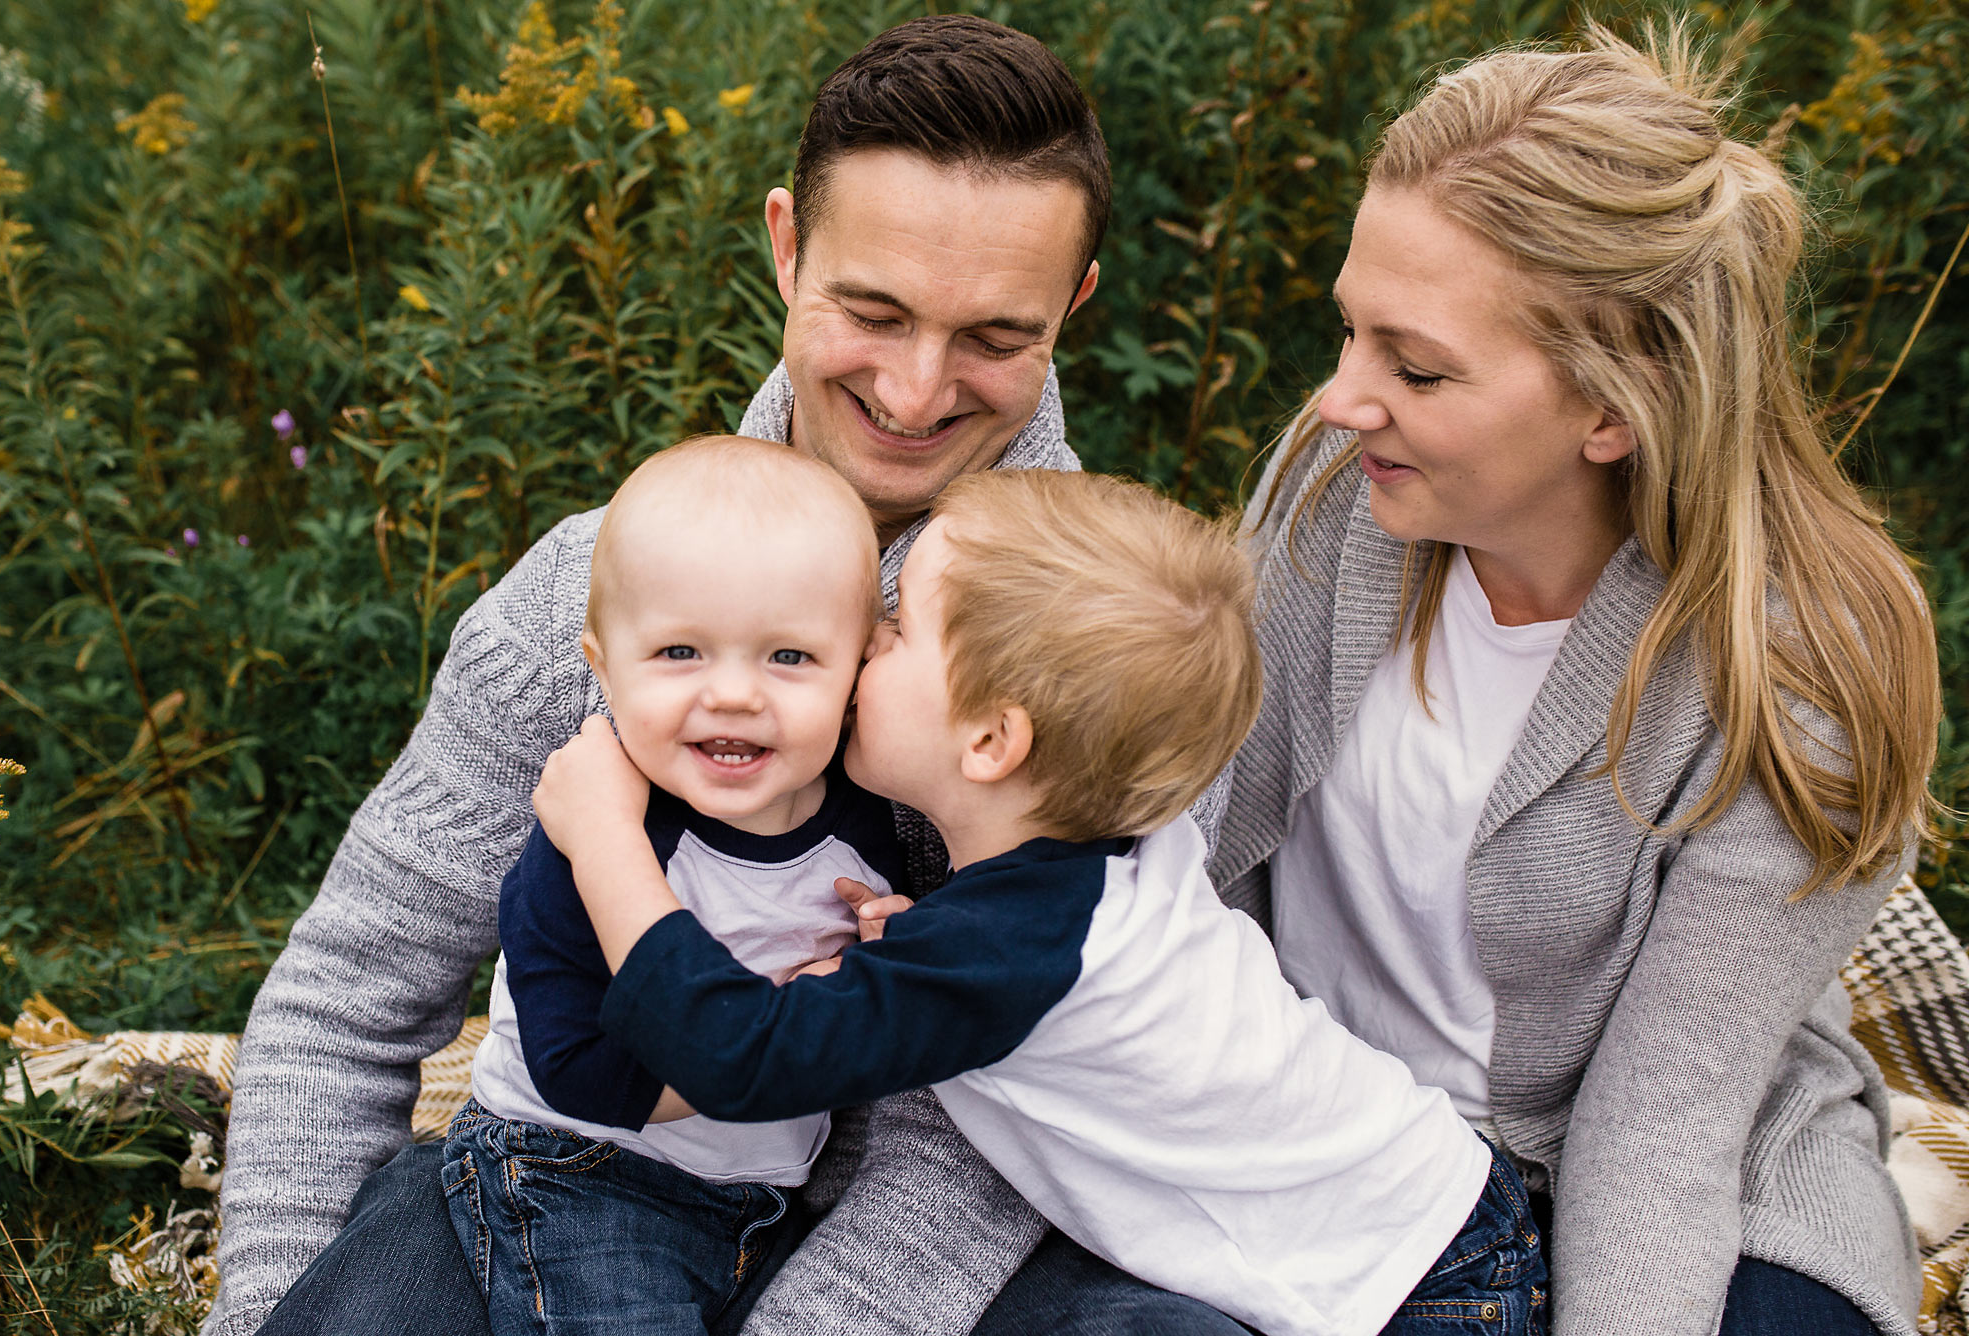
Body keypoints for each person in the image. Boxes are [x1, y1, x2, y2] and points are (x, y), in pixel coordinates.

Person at [206, 17, 1227, 1336]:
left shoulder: (1112, 644)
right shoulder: (589, 590)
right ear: (787, 242)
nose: (918, 389)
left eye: (991, 335)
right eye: (873, 310)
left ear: (1074, 304)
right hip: (584, 1169)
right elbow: (352, 998)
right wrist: (265, 1309)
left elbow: (1010, 1124)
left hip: (951, 1252)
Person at [1198, 25, 1940, 1336]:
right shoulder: (1330, 501)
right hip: (1333, 1143)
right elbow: (1183, 841)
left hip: (1689, 1163)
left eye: (1414, 366)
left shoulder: (1801, 670)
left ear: (1614, 411)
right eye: (1351, 333)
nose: (1336, 399)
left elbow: (1665, 1127)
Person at [532, 467, 1549, 1336]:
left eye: (896, 630)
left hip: (1416, 1283)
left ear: (988, 743)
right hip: (1427, 1202)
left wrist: (608, 841)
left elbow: (739, 1054)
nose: (866, 642)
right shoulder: (1086, 870)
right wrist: (917, 945)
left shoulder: (1006, 951)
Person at [444, 437, 899, 1333]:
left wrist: (896, 954)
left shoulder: (871, 820)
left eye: (791, 658)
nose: (732, 694)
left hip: (764, 1199)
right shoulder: (592, 836)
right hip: (576, 1169)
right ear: (602, 666)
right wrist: (783, 1035)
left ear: (862, 668)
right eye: (681, 652)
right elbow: (574, 1069)